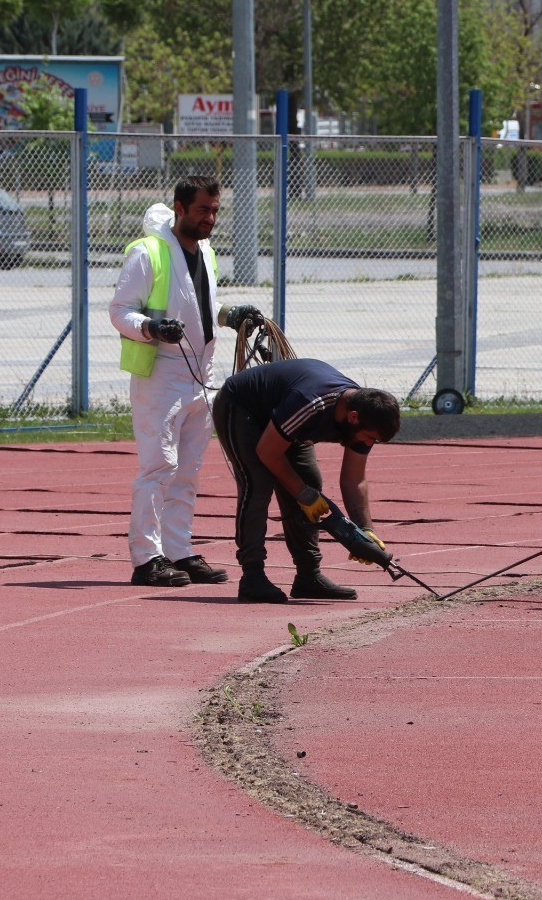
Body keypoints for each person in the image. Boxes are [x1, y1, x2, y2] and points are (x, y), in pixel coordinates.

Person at [108, 176, 240, 588]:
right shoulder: (148, 254)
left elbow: (202, 304)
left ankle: (179, 550)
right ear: (179, 208)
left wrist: (230, 315)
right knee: (158, 466)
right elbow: (119, 311)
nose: (210, 218)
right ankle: (147, 559)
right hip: (161, 374)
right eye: (203, 210)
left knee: (188, 469)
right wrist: (150, 327)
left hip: (203, 375)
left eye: (215, 210)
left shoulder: (205, 251)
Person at [211, 358, 402, 603]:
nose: (368, 444)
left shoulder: (365, 416)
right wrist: (302, 493)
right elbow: (267, 452)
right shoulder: (311, 403)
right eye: (369, 438)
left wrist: (365, 530)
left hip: (285, 422)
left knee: (310, 481)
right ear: (353, 417)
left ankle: (308, 576)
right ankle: (252, 575)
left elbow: (354, 479)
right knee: (257, 484)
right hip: (244, 409)